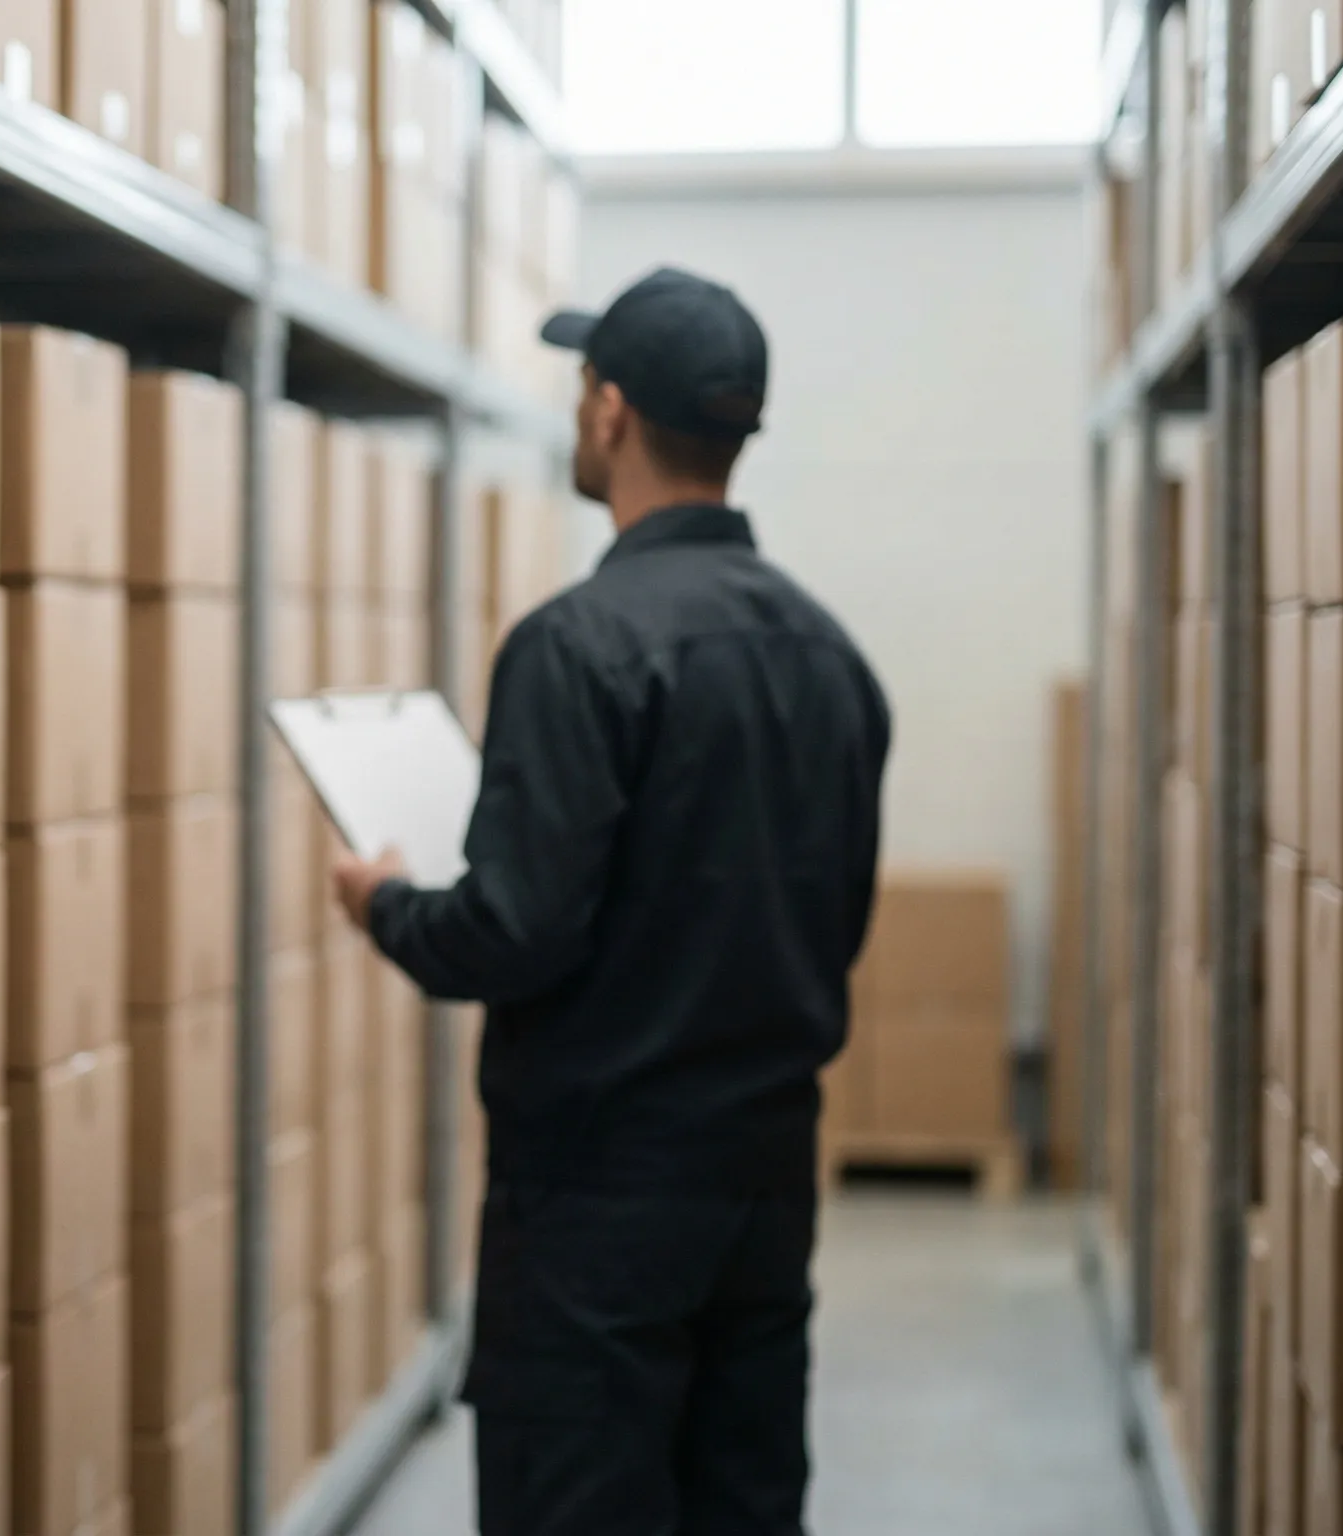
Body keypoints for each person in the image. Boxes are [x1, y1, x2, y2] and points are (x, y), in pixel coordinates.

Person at [331, 267, 891, 1536]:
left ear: (607, 413)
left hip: (598, 1208)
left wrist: (387, 905)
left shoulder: (574, 648)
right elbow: (834, 921)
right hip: (763, 1185)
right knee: (740, 1509)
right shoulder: (830, 656)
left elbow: (512, 934)